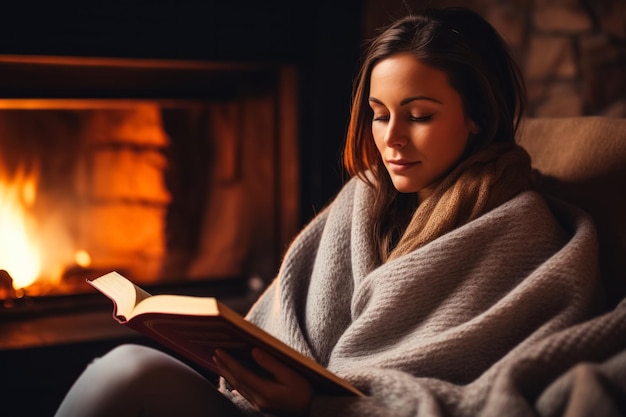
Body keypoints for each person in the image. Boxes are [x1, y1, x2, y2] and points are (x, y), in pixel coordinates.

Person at [54, 7, 605, 417]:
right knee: (126, 369)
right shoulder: (363, 201)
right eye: (379, 114)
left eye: (419, 116)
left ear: (478, 116)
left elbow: (491, 391)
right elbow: (284, 321)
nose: (391, 139)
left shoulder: (522, 230)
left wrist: (318, 406)